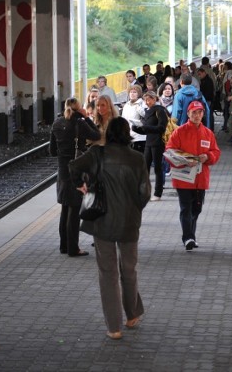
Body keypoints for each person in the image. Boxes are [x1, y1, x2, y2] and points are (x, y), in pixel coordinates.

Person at [69, 117, 151, 340]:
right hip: (129, 222)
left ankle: (114, 327)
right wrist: (134, 209)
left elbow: (74, 166)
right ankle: (132, 316)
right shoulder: (137, 159)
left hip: (102, 221)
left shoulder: (97, 154)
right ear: (127, 134)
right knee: (129, 269)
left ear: (109, 134)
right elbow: (144, 194)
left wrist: (81, 186)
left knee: (108, 273)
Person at [165, 101, 221, 251]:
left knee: (196, 209)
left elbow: (216, 153)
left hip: (200, 179)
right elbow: (169, 151)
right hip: (183, 179)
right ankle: (188, 237)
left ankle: (191, 236)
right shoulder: (179, 132)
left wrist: (207, 156)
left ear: (203, 114)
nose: (197, 115)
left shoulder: (208, 133)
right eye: (194, 112)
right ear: (188, 114)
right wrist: (183, 161)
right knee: (186, 208)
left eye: (200, 112)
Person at [49, 97, 101, 257]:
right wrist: (86, 117)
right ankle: (73, 248)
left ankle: (64, 245)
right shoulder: (80, 122)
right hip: (77, 170)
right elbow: (97, 135)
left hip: (62, 170)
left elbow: (52, 151)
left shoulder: (57, 123)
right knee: (74, 210)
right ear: (79, 108)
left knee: (65, 208)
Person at [132, 91, 168, 201]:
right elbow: (146, 130)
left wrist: (146, 128)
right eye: (145, 100)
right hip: (148, 142)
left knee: (158, 168)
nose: (147, 102)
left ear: (154, 99)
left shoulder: (160, 110)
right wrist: (137, 128)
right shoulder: (147, 111)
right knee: (145, 168)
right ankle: (144, 192)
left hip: (158, 143)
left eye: (149, 100)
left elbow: (161, 128)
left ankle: (158, 193)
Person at [121, 84, 146, 153]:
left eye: (135, 92)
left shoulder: (142, 103)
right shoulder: (126, 105)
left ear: (139, 94)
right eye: (131, 92)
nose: (132, 94)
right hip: (128, 136)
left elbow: (145, 115)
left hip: (139, 137)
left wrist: (138, 108)